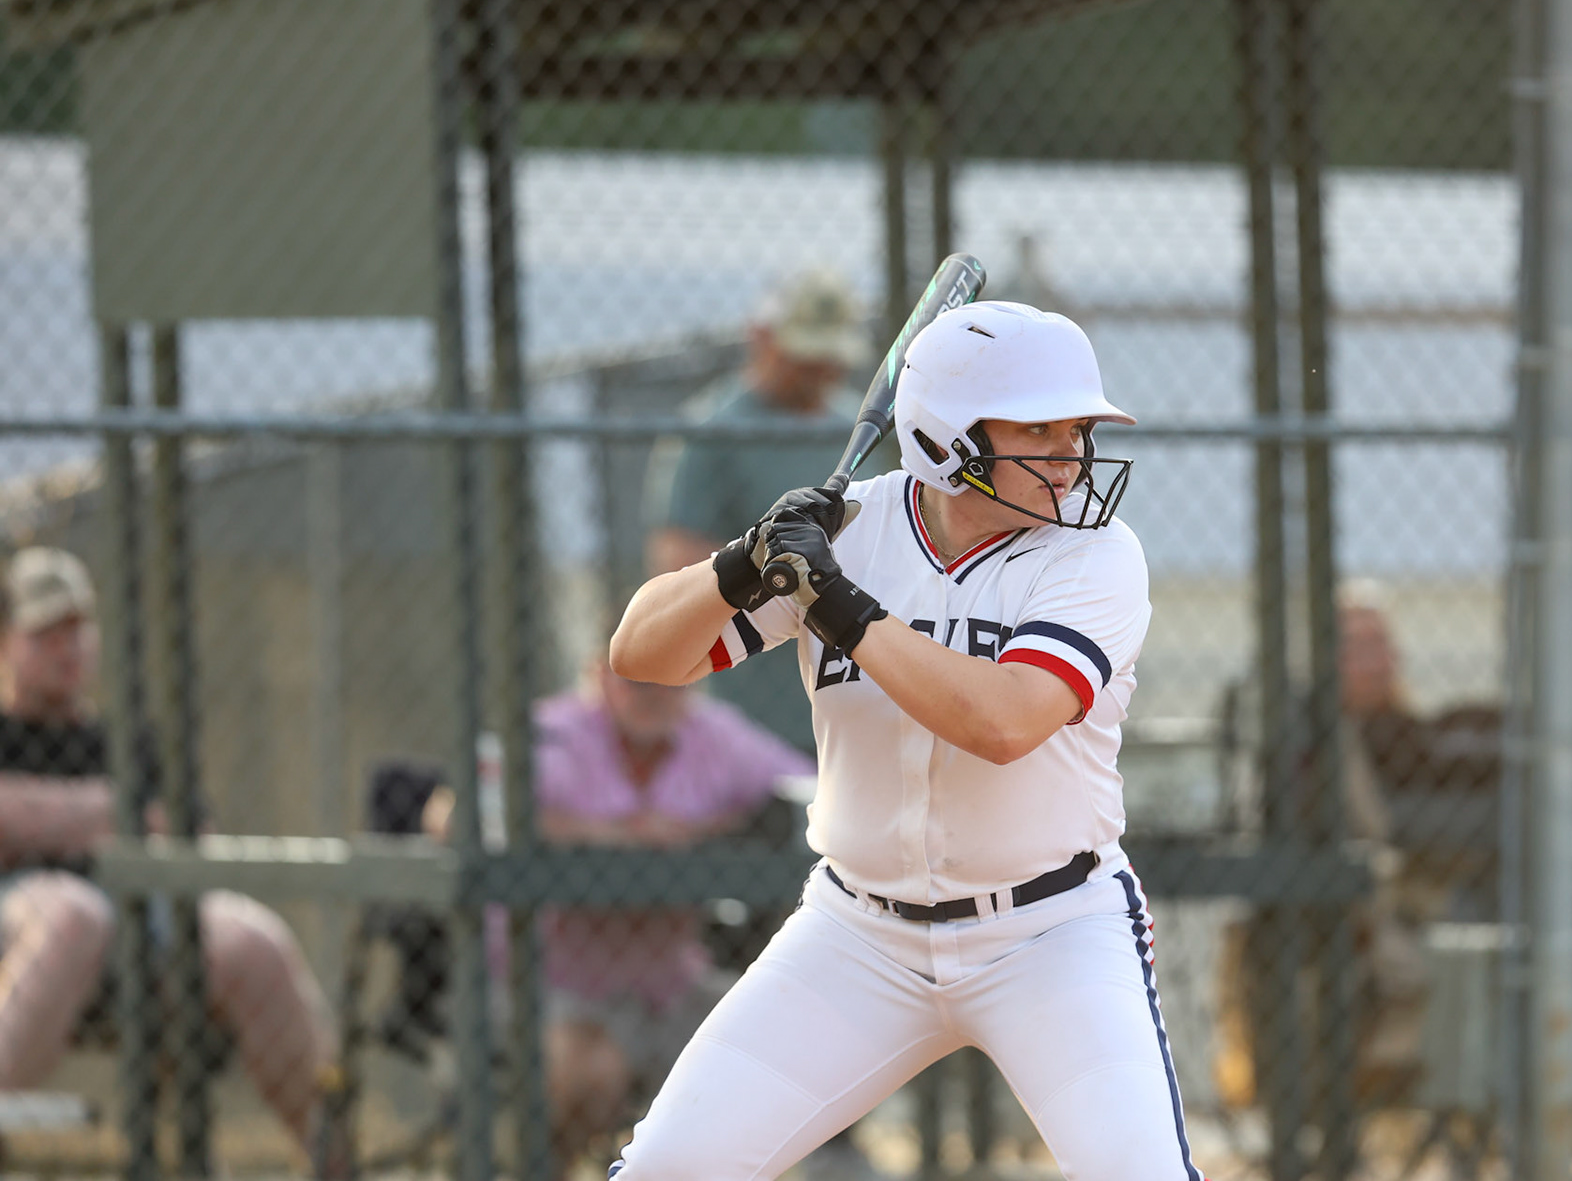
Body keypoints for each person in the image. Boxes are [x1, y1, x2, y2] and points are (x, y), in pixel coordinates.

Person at [608, 300, 1203, 1179]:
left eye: (1076, 430)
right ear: (948, 436)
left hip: (1050, 932)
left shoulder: (1096, 557)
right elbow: (642, 655)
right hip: (858, 934)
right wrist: (748, 557)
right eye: (1040, 431)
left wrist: (836, 603)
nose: (1071, 457)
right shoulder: (852, 528)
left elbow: (1001, 723)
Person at [0, 547, 338, 1163]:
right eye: (45, 632)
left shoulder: (128, 740)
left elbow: (191, 837)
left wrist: (44, 816)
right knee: (71, 914)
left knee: (252, 940)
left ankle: (335, 1158)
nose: (67, 647)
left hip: (140, 931)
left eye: (78, 629)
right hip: (24, 932)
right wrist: (114, 812)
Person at [426, 663, 814, 1168]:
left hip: (669, 986)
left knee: (783, 1046)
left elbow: (811, 792)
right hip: (549, 987)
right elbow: (452, 818)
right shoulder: (555, 735)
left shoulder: (714, 734)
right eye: (635, 679)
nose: (652, 694)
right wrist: (609, 835)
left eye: (668, 679)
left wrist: (705, 832)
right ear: (600, 678)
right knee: (590, 1072)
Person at [648, 268, 875, 759]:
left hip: (859, 678)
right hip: (752, 694)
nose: (819, 370)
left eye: (829, 358)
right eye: (804, 356)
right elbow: (678, 564)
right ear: (762, 338)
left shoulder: (858, 427)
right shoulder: (714, 430)